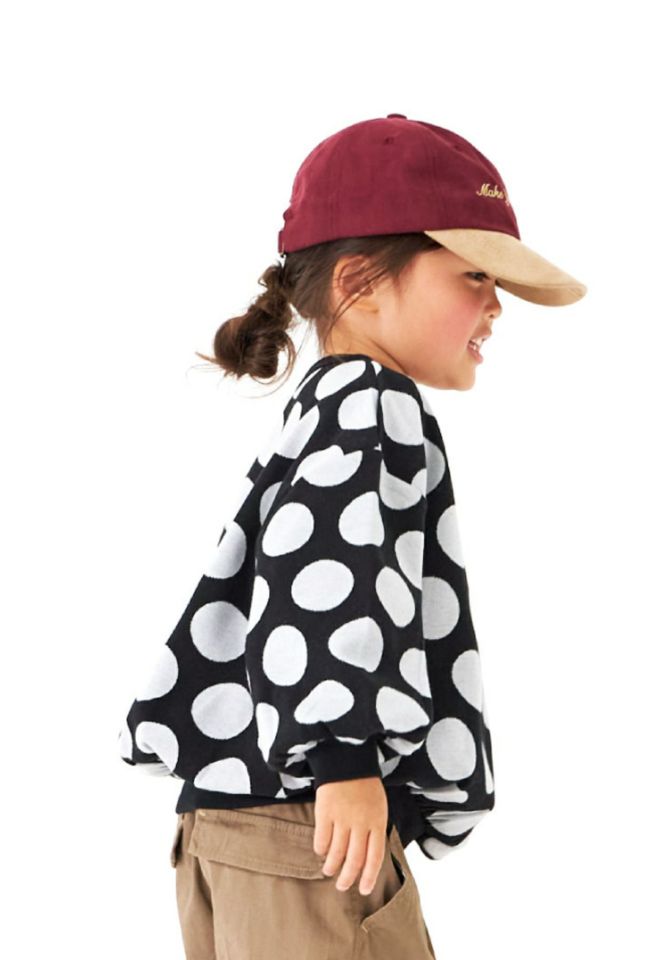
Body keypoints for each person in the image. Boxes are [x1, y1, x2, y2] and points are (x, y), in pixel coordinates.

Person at [118, 113, 587, 960]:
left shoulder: (326, 406)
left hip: (229, 827)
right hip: (308, 824)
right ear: (362, 283)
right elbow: (325, 568)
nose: (495, 305)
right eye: (474, 274)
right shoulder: (376, 402)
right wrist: (342, 757)